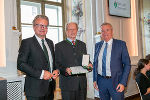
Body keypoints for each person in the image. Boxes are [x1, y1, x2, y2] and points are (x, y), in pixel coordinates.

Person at [17, 15, 59, 100]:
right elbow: (21, 64)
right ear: (34, 27)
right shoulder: (27, 42)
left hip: (50, 88)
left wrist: (56, 70)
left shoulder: (50, 42)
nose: (43, 28)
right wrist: (41, 74)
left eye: (45, 26)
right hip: (34, 89)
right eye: (40, 25)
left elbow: (52, 62)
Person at [55, 22, 93, 100]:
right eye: (70, 29)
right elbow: (57, 63)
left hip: (81, 84)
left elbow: (85, 60)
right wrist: (65, 69)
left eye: (74, 29)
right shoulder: (59, 46)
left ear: (77, 30)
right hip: (67, 84)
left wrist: (89, 64)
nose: (72, 31)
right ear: (66, 31)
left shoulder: (82, 45)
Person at [93, 22, 131, 100]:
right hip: (101, 81)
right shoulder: (98, 45)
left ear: (112, 31)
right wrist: (95, 79)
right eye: (102, 31)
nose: (105, 33)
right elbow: (95, 63)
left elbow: (127, 64)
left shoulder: (121, 44)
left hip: (116, 81)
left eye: (107, 30)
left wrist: (123, 82)